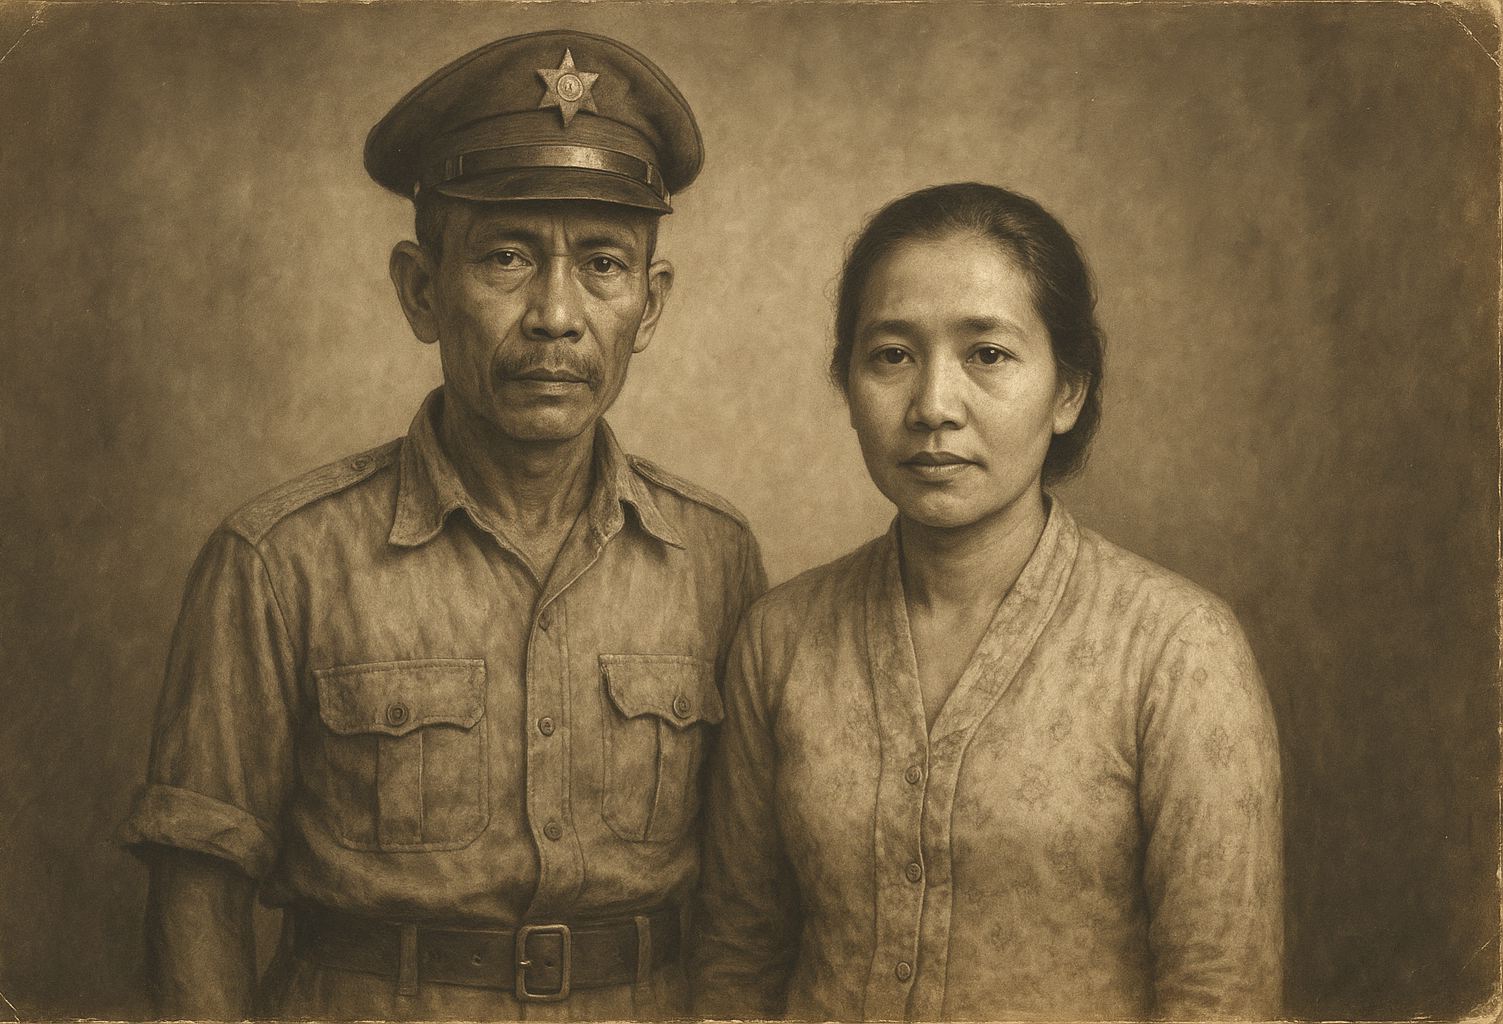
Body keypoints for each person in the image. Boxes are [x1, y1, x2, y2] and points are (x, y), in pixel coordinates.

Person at [120, 30, 766, 1021]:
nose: (556, 313)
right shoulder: (279, 560)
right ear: (422, 290)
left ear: (649, 304)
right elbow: (195, 905)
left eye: (603, 263)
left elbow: (751, 899)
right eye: (506, 257)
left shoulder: (715, 557)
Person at [691, 182, 1282, 1021]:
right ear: (846, 384)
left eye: (989, 355)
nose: (933, 406)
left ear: (1068, 391)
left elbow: (1221, 994)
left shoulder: (1178, 649)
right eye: (892, 355)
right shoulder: (779, 639)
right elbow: (736, 962)